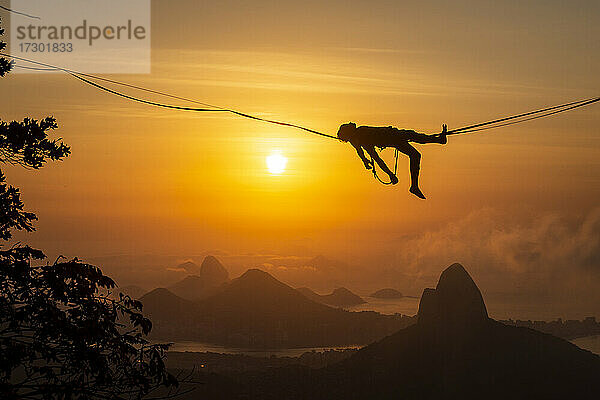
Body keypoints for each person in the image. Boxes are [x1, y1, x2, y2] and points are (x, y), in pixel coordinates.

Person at [337, 123, 448, 199]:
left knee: (415, 150)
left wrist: (365, 161)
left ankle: (414, 186)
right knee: (414, 144)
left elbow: (359, 150)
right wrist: (390, 174)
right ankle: (414, 186)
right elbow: (376, 159)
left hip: (393, 137)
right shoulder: (361, 139)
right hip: (394, 138)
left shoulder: (358, 137)